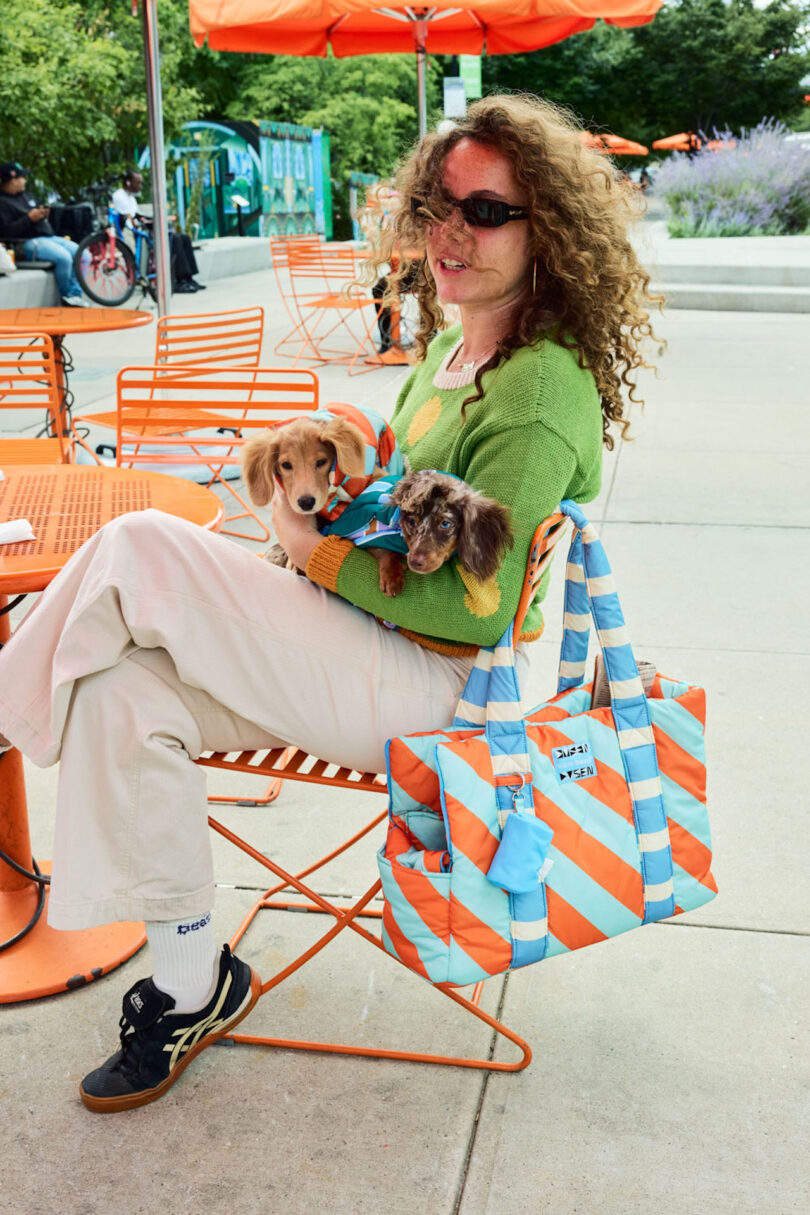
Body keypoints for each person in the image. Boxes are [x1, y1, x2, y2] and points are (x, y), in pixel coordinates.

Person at [0, 96, 659, 1113]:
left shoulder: (535, 390)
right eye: (436, 204)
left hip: (443, 695)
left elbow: (478, 613)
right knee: (123, 688)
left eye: (486, 213)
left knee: (139, 545)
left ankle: (3, 714)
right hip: (365, 650)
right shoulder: (450, 354)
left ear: (549, 234)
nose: (450, 232)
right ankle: (188, 984)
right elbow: (397, 508)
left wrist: (306, 556)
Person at [0, 161, 85, 305]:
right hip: (26, 242)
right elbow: (6, 231)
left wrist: (43, 213)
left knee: (82, 253)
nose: (25, 181)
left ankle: (76, 294)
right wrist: (28, 219)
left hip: (48, 237)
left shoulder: (25, 195)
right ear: (12, 180)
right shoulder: (2, 202)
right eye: (22, 178)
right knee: (64, 258)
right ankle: (69, 296)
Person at [112, 170, 206, 293]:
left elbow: (137, 216)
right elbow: (130, 220)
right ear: (128, 182)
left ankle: (189, 277)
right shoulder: (119, 195)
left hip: (143, 229)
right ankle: (180, 280)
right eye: (138, 182)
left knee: (184, 238)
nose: (140, 186)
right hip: (135, 233)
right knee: (174, 240)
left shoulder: (131, 198)